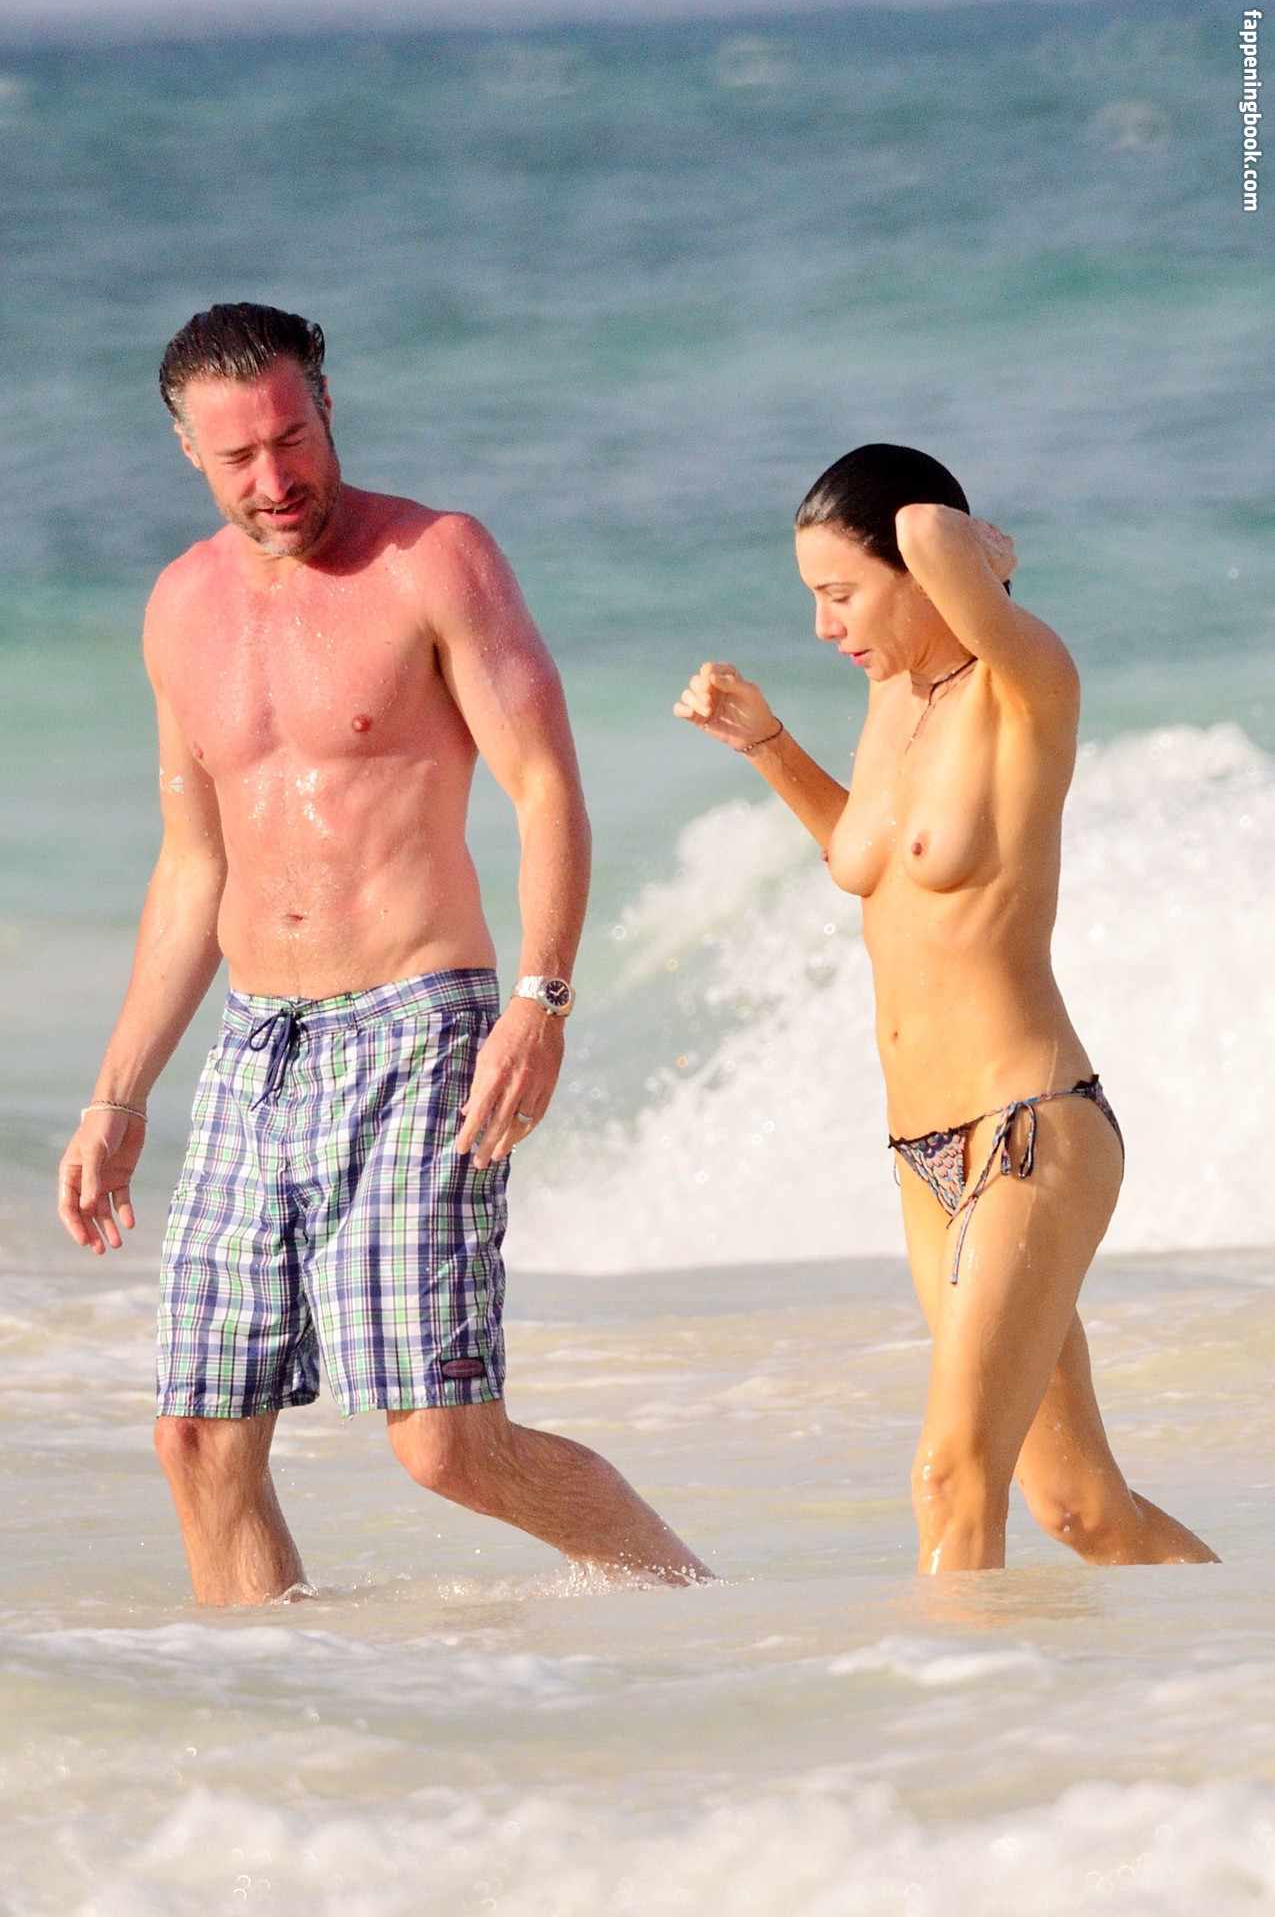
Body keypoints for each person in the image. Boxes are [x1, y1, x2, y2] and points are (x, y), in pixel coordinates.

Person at [57, 302, 706, 1603]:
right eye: (237, 456)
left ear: (327, 406)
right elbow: (191, 870)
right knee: (196, 1440)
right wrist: (117, 1095)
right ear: (186, 450)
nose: (274, 478)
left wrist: (540, 1000)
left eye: (291, 438)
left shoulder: (434, 560)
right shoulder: (179, 607)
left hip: (419, 1024)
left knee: (442, 1444)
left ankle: (688, 1609)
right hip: (257, 1046)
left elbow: (544, 789)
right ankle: (276, 1705)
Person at [674, 443, 1217, 1574]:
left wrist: (980, 553)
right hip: (925, 1160)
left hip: (1031, 1130)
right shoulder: (893, 699)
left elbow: (924, 521)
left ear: (922, 571)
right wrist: (768, 745)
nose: (823, 626)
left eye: (840, 592)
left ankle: (935, 1691)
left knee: (947, 1477)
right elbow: (868, 860)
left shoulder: (1026, 683)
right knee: (1081, 1510)